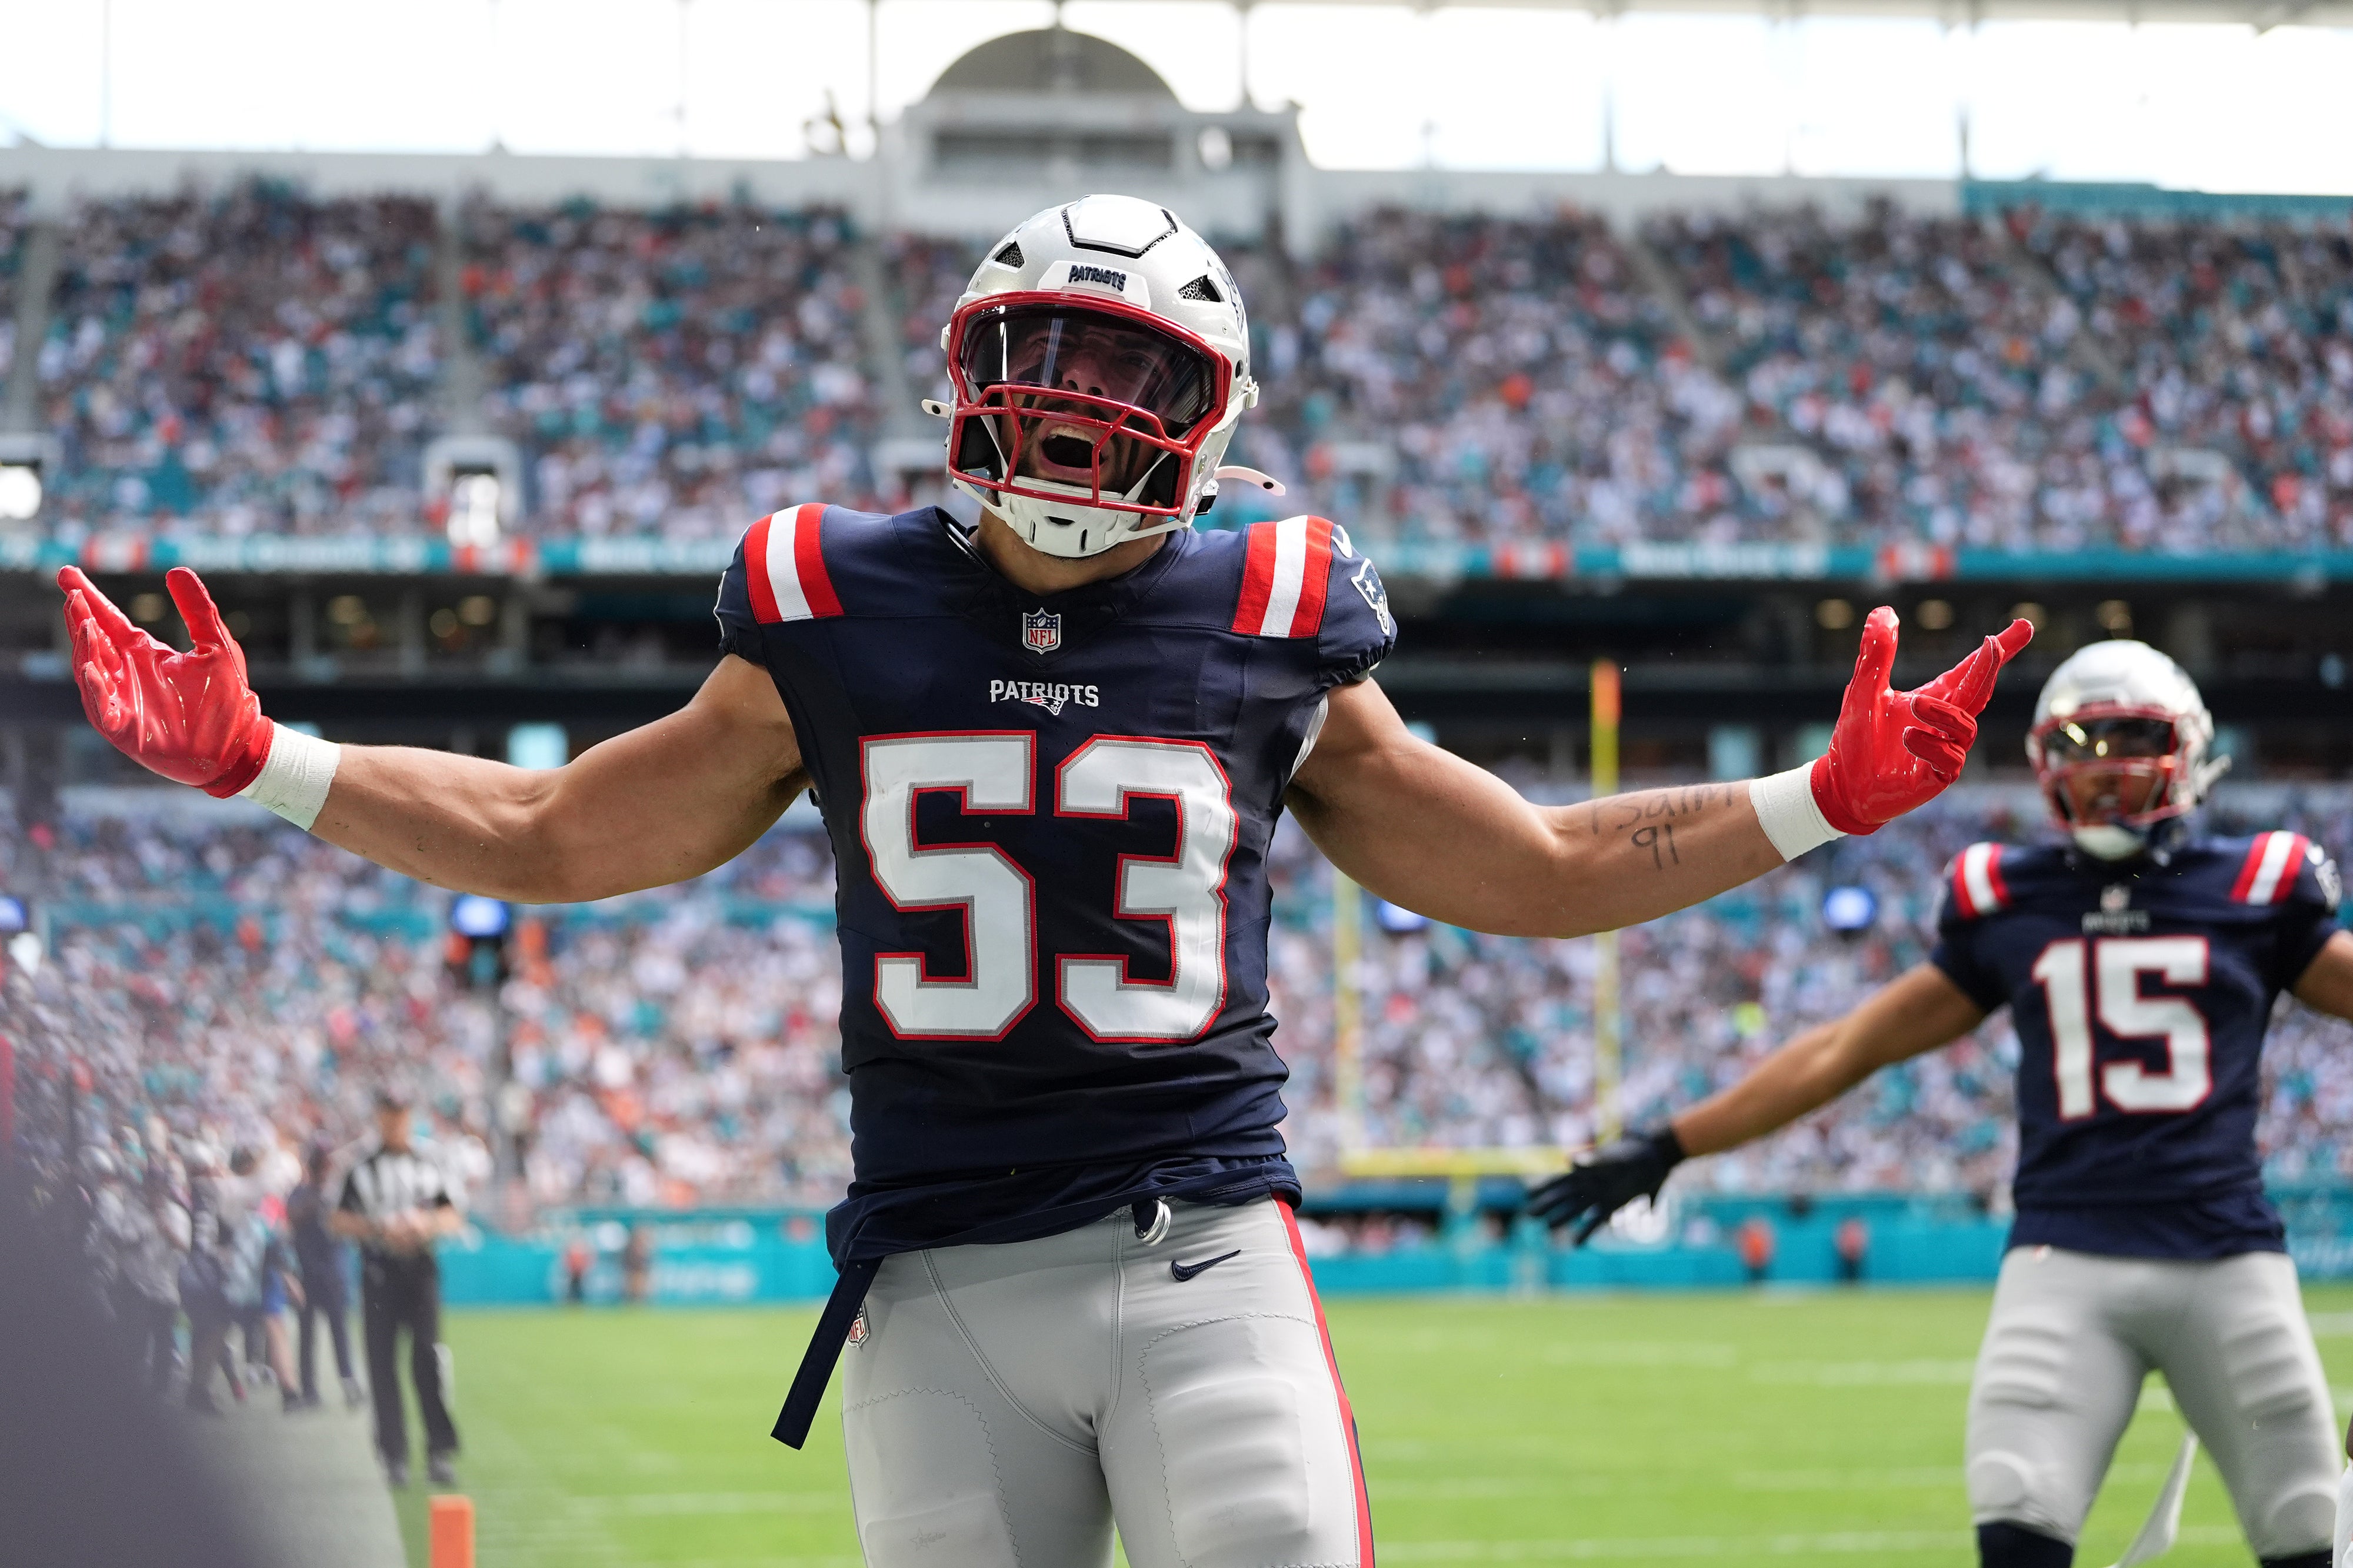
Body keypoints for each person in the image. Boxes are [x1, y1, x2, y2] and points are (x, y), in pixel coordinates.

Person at [56, 192, 2031, 1568]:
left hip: (1202, 1256)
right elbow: (564, 830)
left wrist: (1813, 798)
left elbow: (1521, 861)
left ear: (1208, 416)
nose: (1085, 405)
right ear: (964, 370)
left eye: (1131, 368)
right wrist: (265, 755)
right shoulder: (833, 603)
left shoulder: (1274, 612)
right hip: (935, 1278)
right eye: (1050, 354)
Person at [1531, 639, 2347, 1568]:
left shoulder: (2256, 885)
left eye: (2130, 739)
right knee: (2017, 1525)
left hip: (2227, 1258)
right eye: (2081, 741)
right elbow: (1848, 1046)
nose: (2105, 767)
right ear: (2045, 761)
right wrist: (1669, 1142)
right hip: (2065, 1258)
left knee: (2306, 1535)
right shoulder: (2010, 895)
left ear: (2190, 753)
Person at [332, 1091, 464, 1487]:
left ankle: (438, 1450)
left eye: (401, 1118)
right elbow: (339, 1220)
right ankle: (395, 1456)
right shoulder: (361, 1170)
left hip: (420, 1269)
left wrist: (424, 1226)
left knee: (428, 1357)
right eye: (388, 1118)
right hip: (379, 1272)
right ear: (379, 1119)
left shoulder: (429, 1164)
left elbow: (452, 1215)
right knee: (382, 1364)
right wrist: (378, 1229)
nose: (395, 1125)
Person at [286, 1146, 362, 1409]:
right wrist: (316, 1196)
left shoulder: (337, 1194)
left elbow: (350, 1225)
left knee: (339, 1332)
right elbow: (292, 1218)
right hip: (307, 1273)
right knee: (308, 1335)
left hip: (332, 1273)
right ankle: (309, 1389)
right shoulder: (302, 1194)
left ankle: (349, 1383)